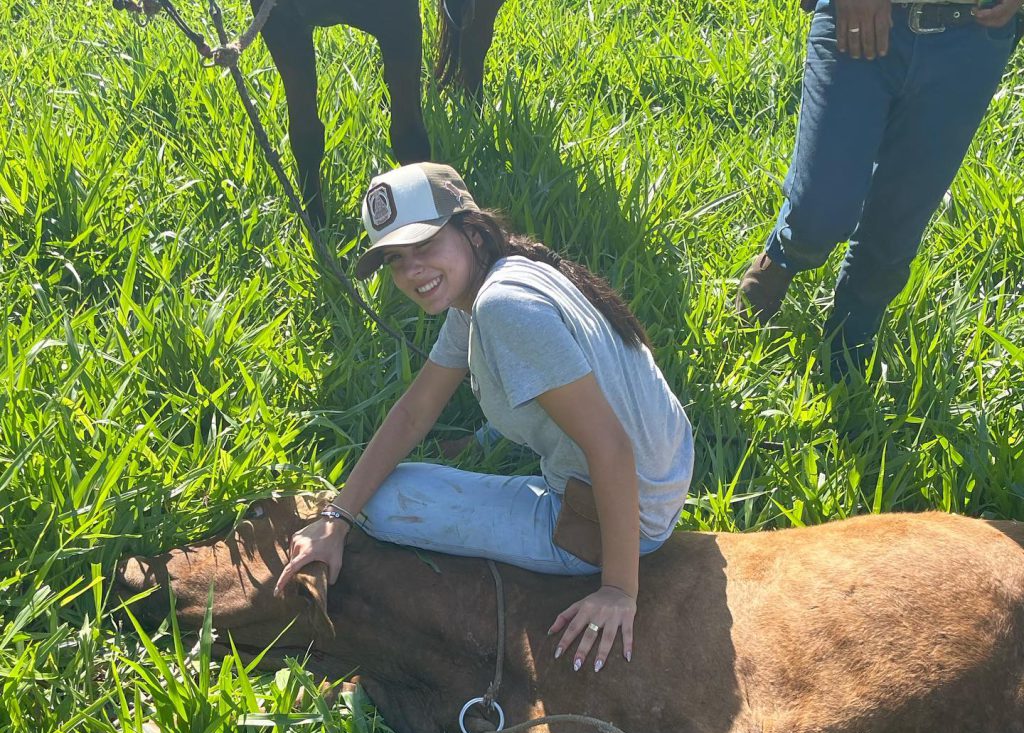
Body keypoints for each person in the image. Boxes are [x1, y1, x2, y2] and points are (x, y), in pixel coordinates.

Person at [275, 163, 693, 672]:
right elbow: (415, 411)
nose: (412, 272)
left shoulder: (503, 309)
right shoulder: (500, 275)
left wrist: (618, 589)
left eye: (425, 246)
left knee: (384, 503)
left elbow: (610, 446)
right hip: (670, 463)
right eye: (395, 259)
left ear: (472, 232)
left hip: (619, 516)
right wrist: (335, 518)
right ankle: (488, 435)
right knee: (377, 490)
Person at [736, 0, 1021, 380]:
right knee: (820, 210)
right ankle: (783, 255)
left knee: (897, 226)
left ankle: (852, 334)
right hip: (861, 15)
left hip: (973, 37)